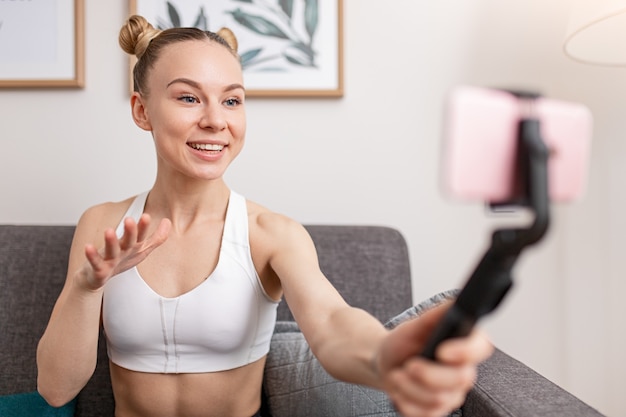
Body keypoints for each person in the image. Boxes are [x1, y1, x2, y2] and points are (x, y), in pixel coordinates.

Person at [36, 14, 493, 417]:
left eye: (231, 100)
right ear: (142, 111)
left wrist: (384, 355)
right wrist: (86, 286)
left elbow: (333, 323)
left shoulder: (270, 233)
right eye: (189, 98)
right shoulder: (102, 225)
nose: (217, 120)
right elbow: (56, 390)